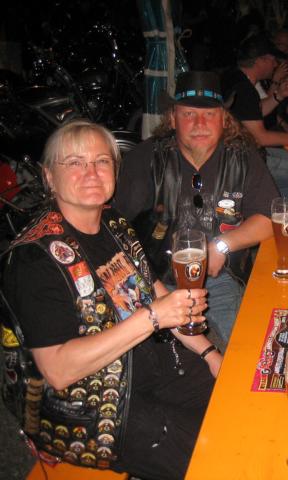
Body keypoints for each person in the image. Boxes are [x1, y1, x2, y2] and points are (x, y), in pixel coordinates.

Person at [0, 120, 221, 479]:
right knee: (214, 460)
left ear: (115, 172)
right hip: (90, 408)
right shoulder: (33, 259)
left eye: (102, 161)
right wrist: (152, 317)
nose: (91, 172)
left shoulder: (112, 221)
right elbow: (58, 370)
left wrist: (210, 353)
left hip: (148, 365)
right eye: (75, 162)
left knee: (237, 405)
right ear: (49, 177)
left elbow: (155, 291)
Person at [112, 70, 279, 351]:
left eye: (209, 114)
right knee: (149, 360)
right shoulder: (146, 159)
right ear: (172, 118)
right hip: (155, 280)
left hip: (219, 280)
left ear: (224, 119)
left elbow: (270, 218)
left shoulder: (242, 158)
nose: (200, 124)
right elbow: (114, 227)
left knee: (250, 351)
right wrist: (150, 285)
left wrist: (222, 245)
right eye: (189, 114)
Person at [222, 34, 288, 203]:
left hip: (238, 154)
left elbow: (254, 112)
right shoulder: (244, 89)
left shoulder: (234, 76)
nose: (275, 64)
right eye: (272, 59)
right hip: (242, 161)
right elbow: (260, 137)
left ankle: (277, 204)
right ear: (260, 60)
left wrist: (279, 96)